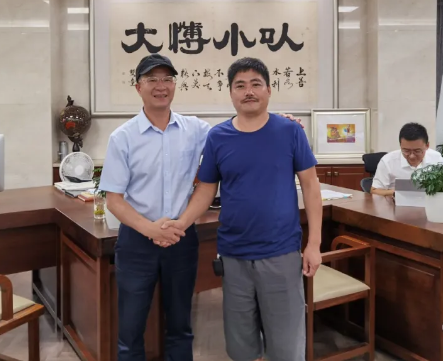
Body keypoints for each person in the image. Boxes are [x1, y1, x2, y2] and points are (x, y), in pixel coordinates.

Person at [99, 53, 303, 361]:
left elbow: (242, 129)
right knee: (130, 329)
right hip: (137, 242)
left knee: (181, 325)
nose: (160, 86)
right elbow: (113, 199)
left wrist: (281, 122)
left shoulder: (197, 130)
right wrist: (152, 230)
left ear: (175, 85)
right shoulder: (122, 138)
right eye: (152, 79)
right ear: (138, 87)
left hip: (181, 240)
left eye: (167, 79)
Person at [162, 57, 323, 361]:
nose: (248, 91)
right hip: (234, 254)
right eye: (240, 85)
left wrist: (314, 244)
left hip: (281, 252)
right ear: (231, 92)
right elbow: (206, 189)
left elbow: (311, 187)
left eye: (255, 84)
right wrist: (181, 223)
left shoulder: (290, 131)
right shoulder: (218, 137)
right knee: (240, 345)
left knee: (286, 345)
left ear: (269, 90)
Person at [370, 122, 443, 196]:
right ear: (400, 145)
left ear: (427, 146)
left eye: (417, 151)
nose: (412, 156)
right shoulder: (388, 161)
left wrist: (435, 193)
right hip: (396, 207)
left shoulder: (435, 157)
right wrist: (400, 193)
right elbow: (374, 191)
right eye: (406, 150)